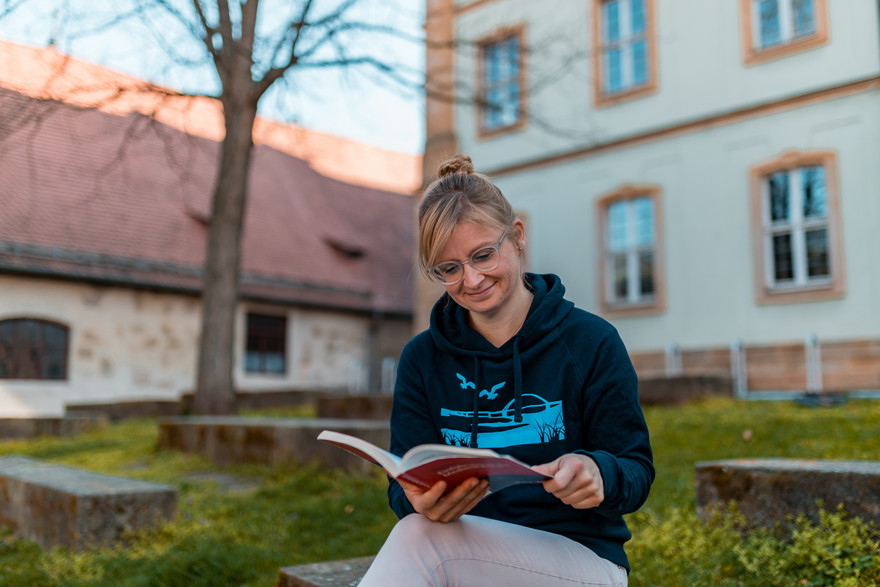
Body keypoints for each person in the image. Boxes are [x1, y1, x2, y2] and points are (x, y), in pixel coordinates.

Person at [358, 154, 654, 586]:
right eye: (450, 268)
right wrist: (417, 500)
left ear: (516, 237)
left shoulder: (591, 341)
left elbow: (636, 471)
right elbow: (402, 483)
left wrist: (599, 473)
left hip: (579, 559)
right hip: (465, 554)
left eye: (483, 255)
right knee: (418, 529)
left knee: (419, 542)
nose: (472, 279)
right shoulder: (422, 358)